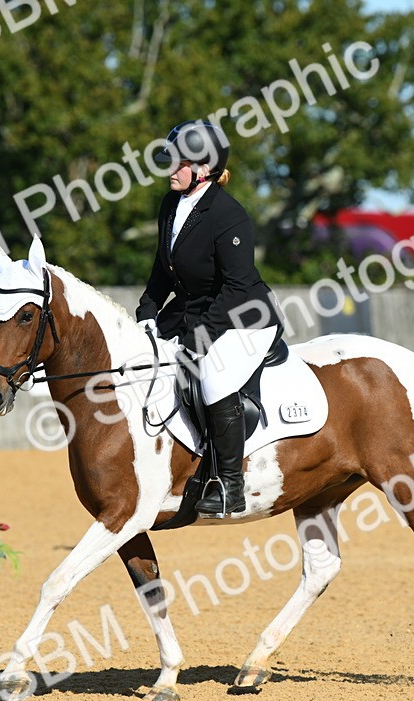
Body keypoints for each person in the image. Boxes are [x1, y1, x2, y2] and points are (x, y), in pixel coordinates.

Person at [136, 120, 282, 516]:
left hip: (243, 316)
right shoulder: (171, 204)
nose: (170, 169)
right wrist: (147, 313)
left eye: (178, 163)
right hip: (190, 311)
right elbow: (160, 271)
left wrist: (196, 337)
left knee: (214, 379)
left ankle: (230, 484)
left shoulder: (228, 215)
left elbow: (235, 288)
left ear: (203, 169)